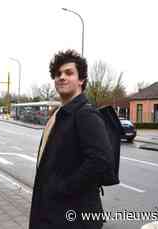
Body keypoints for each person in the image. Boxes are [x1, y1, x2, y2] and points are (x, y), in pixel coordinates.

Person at [29, 50, 113, 229]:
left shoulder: (85, 114)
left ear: (81, 80)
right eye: (58, 74)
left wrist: (62, 189)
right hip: (53, 211)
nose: (62, 77)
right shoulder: (60, 113)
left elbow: (100, 161)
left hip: (72, 217)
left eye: (68, 73)